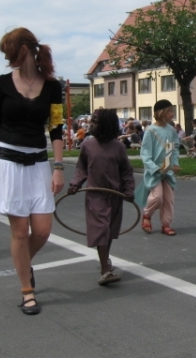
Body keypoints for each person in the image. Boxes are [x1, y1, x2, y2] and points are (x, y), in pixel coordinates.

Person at [0, 27, 64, 315]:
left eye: (8, 51)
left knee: (43, 230)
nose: (6, 57)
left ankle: (23, 263)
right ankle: (27, 291)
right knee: (20, 232)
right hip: (8, 162)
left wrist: (58, 167)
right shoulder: (1, 84)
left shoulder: (51, 86)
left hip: (38, 162)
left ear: (22, 49)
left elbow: (56, 127)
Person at [68, 109, 135, 286]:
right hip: (95, 195)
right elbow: (81, 168)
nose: (91, 124)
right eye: (91, 121)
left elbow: (126, 172)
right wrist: (75, 184)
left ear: (106, 124)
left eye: (95, 121)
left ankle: (104, 261)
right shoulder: (87, 146)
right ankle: (106, 269)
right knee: (101, 228)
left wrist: (129, 190)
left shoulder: (118, 147)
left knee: (110, 230)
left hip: (115, 195)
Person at [135, 99, 180, 236]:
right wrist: (154, 168)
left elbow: (175, 148)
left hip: (168, 171)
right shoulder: (150, 131)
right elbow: (145, 154)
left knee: (168, 198)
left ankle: (166, 224)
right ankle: (147, 215)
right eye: (170, 111)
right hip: (154, 172)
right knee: (157, 197)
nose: (172, 114)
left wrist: (175, 163)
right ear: (161, 113)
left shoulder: (171, 130)